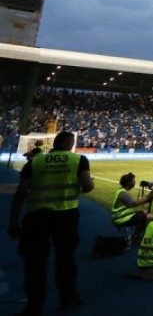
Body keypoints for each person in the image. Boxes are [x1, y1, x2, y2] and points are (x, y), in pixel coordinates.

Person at [8, 131, 94, 315]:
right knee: (66, 258)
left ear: (54, 143)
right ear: (71, 144)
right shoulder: (79, 160)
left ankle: (34, 304)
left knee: (35, 262)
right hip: (66, 215)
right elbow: (87, 187)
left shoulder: (35, 162)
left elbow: (21, 193)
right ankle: (68, 296)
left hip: (36, 217)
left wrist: (13, 222)